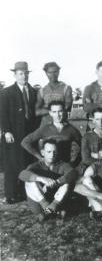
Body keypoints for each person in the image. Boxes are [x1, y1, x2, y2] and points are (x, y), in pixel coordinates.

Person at [0, 62, 37, 204]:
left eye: (26, 73)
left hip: (28, 134)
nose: (24, 76)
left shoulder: (33, 92)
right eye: (21, 73)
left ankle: (22, 192)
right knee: (11, 164)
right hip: (13, 135)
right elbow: (2, 114)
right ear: (15, 75)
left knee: (25, 162)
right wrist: (7, 131)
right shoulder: (6, 92)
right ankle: (10, 194)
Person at [19, 139, 78, 221]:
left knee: (67, 182)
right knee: (29, 181)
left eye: (54, 151)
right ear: (43, 152)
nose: (52, 155)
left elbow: (73, 173)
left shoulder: (62, 164)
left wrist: (57, 182)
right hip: (40, 202)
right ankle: (50, 209)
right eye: (49, 152)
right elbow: (22, 174)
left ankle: (50, 210)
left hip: (56, 200)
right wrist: (42, 179)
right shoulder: (36, 165)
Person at [21, 101, 82, 167]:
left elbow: (84, 145)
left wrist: (75, 162)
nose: (57, 115)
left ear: (64, 111)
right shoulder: (44, 129)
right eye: (54, 112)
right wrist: (40, 157)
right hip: (48, 167)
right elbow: (25, 142)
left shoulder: (72, 129)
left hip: (65, 167)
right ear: (50, 113)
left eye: (60, 111)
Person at [35, 62, 73, 127]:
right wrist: (54, 111)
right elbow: (37, 112)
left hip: (62, 125)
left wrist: (46, 110)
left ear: (58, 72)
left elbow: (67, 107)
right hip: (45, 126)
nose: (53, 75)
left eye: (55, 72)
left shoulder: (66, 88)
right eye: (50, 72)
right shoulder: (42, 91)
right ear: (46, 73)